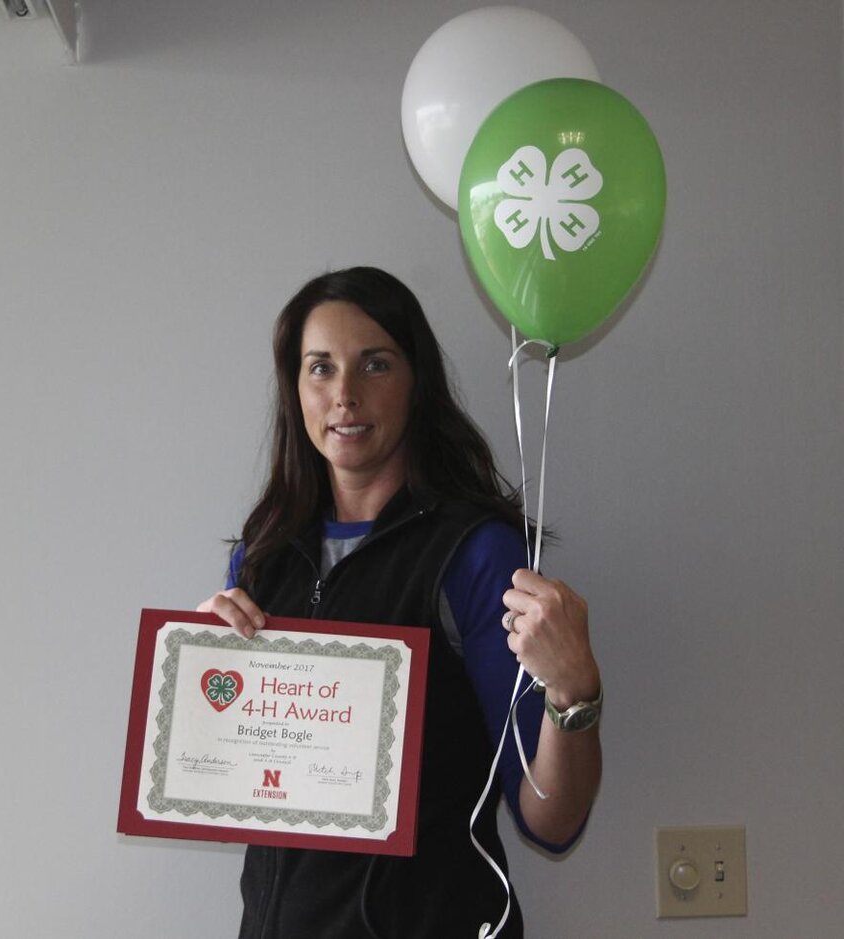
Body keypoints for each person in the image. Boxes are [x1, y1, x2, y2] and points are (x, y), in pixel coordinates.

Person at [198, 267, 602, 939]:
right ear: (295, 388)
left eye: (375, 364)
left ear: (417, 385)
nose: (345, 394)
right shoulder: (261, 558)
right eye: (320, 368)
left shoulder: (476, 556)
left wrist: (576, 690)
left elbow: (552, 821)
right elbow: (239, 795)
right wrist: (201, 681)